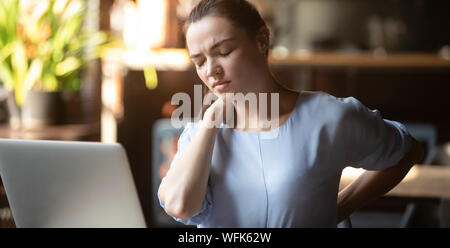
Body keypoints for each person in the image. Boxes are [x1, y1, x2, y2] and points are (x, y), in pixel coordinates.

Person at [158, 0, 424, 227]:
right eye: (200, 62)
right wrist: (213, 117)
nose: (211, 71)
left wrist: (340, 208)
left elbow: (407, 151)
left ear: (262, 40)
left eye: (224, 52)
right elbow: (180, 206)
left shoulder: (326, 116)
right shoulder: (199, 133)